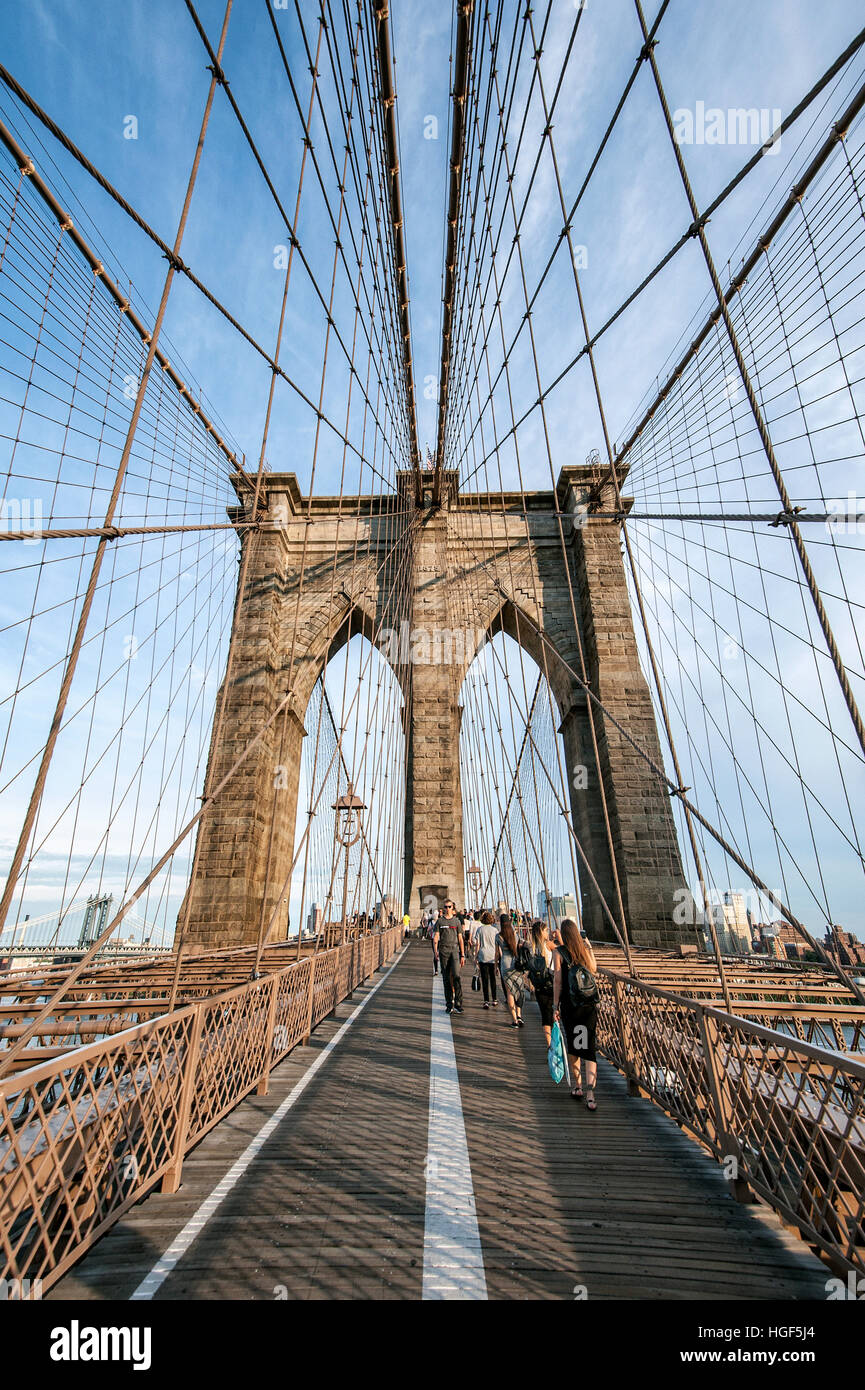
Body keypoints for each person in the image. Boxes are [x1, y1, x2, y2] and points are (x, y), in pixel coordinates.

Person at [553, 917, 599, 1110]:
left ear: (563, 935)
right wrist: (588, 945)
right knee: (588, 1046)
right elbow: (594, 969)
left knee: (574, 1044)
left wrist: (555, 1006)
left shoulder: (559, 952)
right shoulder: (585, 950)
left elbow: (558, 981)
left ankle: (578, 1086)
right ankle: (590, 1094)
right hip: (588, 1005)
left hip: (570, 1005)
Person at [433, 900, 465, 1013]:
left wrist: (463, 954)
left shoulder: (456, 922)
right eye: (445, 907)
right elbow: (436, 936)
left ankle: (458, 1003)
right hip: (443, 951)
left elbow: (460, 938)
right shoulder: (439, 922)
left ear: (453, 908)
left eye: (449, 907)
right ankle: (449, 1004)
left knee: (456, 976)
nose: (447, 909)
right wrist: (435, 951)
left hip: (455, 951)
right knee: (446, 978)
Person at [495, 914, 527, 1027]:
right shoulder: (515, 934)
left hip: (505, 965)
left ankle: (514, 1020)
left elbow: (497, 954)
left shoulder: (498, 936)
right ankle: (519, 1015)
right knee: (518, 990)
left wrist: (495, 967)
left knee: (509, 993)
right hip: (516, 965)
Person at [527, 918, 555, 1047]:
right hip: (552, 983)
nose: (548, 932)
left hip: (538, 985)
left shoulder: (530, 947)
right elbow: (566, 951)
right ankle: (557, 1040)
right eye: (546, 930)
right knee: (554, 1013)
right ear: (541, 932)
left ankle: (549, 1044)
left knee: (545, 1015)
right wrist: (558, 936)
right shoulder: (549, 944)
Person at [471, 909, 499, 1008]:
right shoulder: (495, 930)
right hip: (492, 957)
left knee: (485, 979)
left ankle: (486, 1001)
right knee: (493, 979)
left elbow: (477, 944)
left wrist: (475, 957)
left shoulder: (480, 930)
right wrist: (498, 957)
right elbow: (497, 945)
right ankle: (495, 999)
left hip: (483, 956)